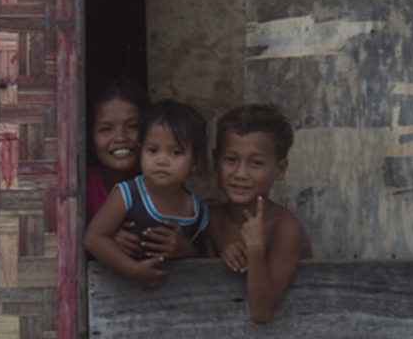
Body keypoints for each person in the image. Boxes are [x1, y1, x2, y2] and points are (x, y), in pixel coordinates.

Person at [84, 99, 210, 290]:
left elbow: (209, 260)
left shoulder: (197, 210)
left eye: (175, 152)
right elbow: (93, 239)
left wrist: (188, 250)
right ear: (141, 150)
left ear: (195, 162)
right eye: (153, 150)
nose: (162, 160)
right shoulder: (128, 193)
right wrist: (133, 270)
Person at [205, 104, 312, 324]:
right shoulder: (210, 219)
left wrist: (255, 250)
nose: (241, 174)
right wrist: (225, 252)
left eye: (256, 163)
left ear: (280, 169)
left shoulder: (285, 228)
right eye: (231, 160)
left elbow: (262, 314)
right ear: (215, 161)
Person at [86, 78, 150, 258]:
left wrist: (183, 248)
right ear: (90, 141)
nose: (121, 137)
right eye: (106, 129)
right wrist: (105, 242)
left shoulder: (164, 181)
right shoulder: (80, 188)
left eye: (132, 126)